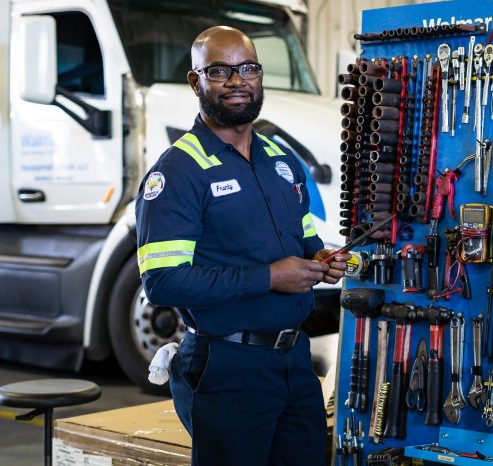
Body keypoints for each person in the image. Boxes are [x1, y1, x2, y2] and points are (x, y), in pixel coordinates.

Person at [135, 25, 350, 465]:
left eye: (247, 68)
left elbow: (306, 236)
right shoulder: (178, 172)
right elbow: (162, 282)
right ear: (196, 81)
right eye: (220, 71)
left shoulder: (282, 160)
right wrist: (270, 277)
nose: (237, 81)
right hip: (227, 366)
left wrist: (319, 259)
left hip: (294, 360)